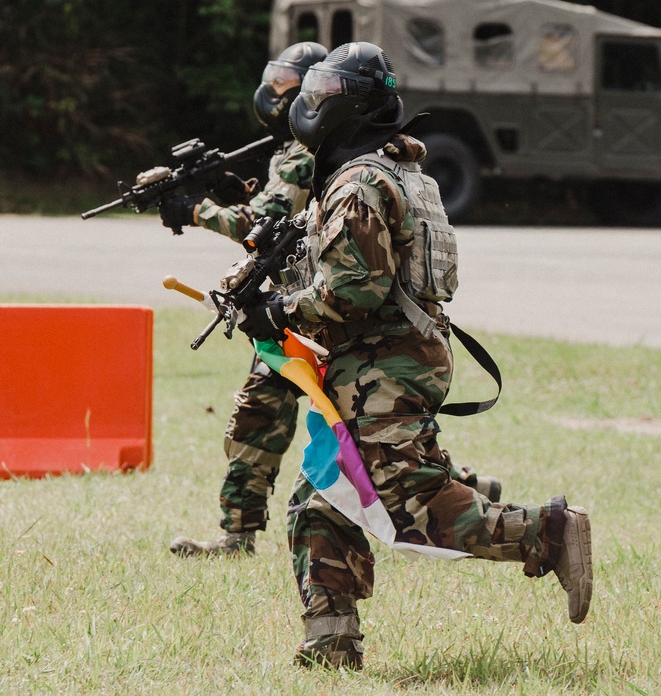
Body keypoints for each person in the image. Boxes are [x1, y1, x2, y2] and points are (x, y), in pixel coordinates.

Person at [234, 41, 593, 670]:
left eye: (322, 98)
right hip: (391, 362)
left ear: (351, 110)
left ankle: (548, 532)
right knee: (322, 498)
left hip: (385, 369)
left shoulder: (360, 182)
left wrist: (279, 311)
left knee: (408, 506)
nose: (309, 108)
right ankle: (331, 641)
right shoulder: (394, 172)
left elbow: (356, 288)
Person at [164, 42, 501, 558]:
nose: (276, 95)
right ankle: (241, 533)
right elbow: (277, 223)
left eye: (288, 85)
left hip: (319, 314)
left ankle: (467, 495)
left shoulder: (328, 156)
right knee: (335, 430)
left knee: (362, 438)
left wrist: (195, 211)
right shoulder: (315, 153)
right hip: (312, 309)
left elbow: (264, 229)